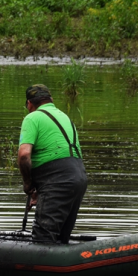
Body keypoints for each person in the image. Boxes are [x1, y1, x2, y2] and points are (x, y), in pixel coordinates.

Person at [17, 84, 87, 244]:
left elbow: (24, 155)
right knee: (61, 239)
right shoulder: (65, 117)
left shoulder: (32, 117)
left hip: (58, 181)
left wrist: (28, 184)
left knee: (43, 239)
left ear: (29, 104)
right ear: (51, 100)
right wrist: (41, 192)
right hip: (79, 178)